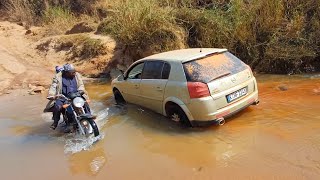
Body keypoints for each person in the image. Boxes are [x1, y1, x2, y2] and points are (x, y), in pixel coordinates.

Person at [46, 63, 90, 130]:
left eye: (74, 71)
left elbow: (81, 84)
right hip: (63, 97)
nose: (74, 73)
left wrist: (81, 90)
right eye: (72, 72)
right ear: (66, 72)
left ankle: (89, 116)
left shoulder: (77, 75)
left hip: (76, 95)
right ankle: (55, 122)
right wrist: (52, 95)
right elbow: (53, 87)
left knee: (85, 102)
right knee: (57, 106)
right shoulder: (58, 77)